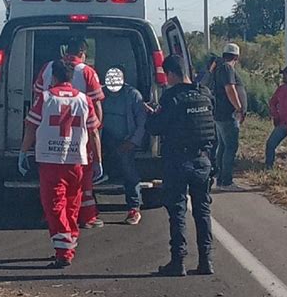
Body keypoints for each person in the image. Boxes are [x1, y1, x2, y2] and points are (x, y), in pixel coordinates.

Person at [19, 60, 103, 268]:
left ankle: (64, 251)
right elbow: (93, 132)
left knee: (54, 206)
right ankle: (68, 246)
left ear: (53, 77)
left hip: (50, 161)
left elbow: (31, 126)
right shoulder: (84, 99)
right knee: (72, 205)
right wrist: (99, 160)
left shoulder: (45, 98)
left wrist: (23, 152)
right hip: (76, 161)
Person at [146, 54, 216, 277]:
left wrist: (153, 114)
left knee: (177, 211)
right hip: (203, 160)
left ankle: (178, 262)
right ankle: (206, 261)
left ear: (171, 74)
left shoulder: (171, 97)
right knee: (202, 211)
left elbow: (155, 128)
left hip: (178, 161)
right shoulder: (204, 94)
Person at [34, 37, 105, 229]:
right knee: (82, 179)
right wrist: (96, 132)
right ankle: (86, 217)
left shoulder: (48, 68)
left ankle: (53, 215)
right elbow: (97, 104)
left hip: (50, 134)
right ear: (83, 53)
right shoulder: (88, 72)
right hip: (78, 134)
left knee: (52, 181)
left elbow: (37, 99)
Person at [101, 66, 147, 225]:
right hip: (102, 140)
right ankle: (87, 207)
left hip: (126, 140)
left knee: (128, 167)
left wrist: (132, 142)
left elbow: (142, 123)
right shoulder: (100, 94)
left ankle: (134, 207)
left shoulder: (133, 95)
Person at [214, 43, 247, 191]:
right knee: (231, 147)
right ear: (236, 57)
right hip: (227, 114)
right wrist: (239, 108)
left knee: (223, 146)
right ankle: (226, 181)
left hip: (220, 114)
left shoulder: (219, 68)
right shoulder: (227, 68)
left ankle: (221, 179)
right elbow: (230, 89)